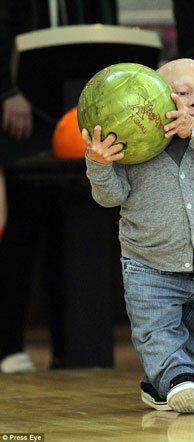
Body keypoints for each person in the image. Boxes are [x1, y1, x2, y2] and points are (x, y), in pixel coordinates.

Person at [82, 58, 194, 413]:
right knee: (156, 335)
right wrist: (100, 163)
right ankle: (182, 381)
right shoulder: (135, 154)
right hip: (148, 269)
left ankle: (164, 381)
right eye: (183, 94)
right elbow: (110, 197)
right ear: (154, 102)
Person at [0, 0, 119, 373]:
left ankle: (71, 350)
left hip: (79, 120)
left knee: (70, 231)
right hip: (21, 122)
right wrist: (5, 92)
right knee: (20, 234)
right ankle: (8, 347)